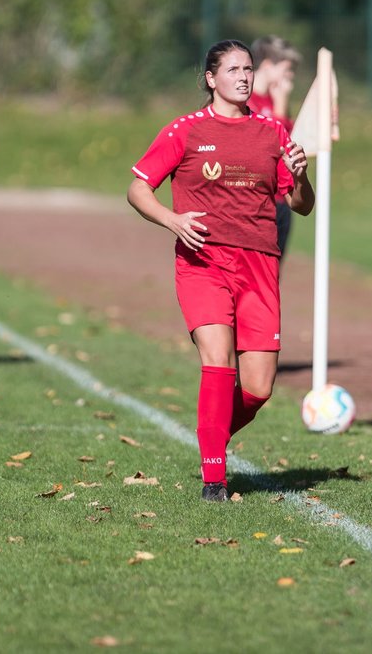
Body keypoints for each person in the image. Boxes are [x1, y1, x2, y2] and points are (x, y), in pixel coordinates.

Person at [128, 39, 315, 502]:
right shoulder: (185, 131)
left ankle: (212, 435)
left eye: (248, 68)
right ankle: (215, 477)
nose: (244, 77)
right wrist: (171, 220)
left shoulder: (274, 132)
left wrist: (302, 175)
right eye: (233, 69)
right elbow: (138, 189)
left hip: (259, 266)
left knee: (257, 387)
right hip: (204, 261)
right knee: (218, 360)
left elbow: (301, 206)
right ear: (212, 79)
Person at [247, 35, 302, 259]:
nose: (290, 78)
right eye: (286, 70)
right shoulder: (246, 101)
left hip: (282, 200)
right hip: (257, 202)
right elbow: (270, 144)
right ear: (268, 66)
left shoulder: (275, 99)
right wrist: (281, 105)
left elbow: (291, 142)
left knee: (272, 276)